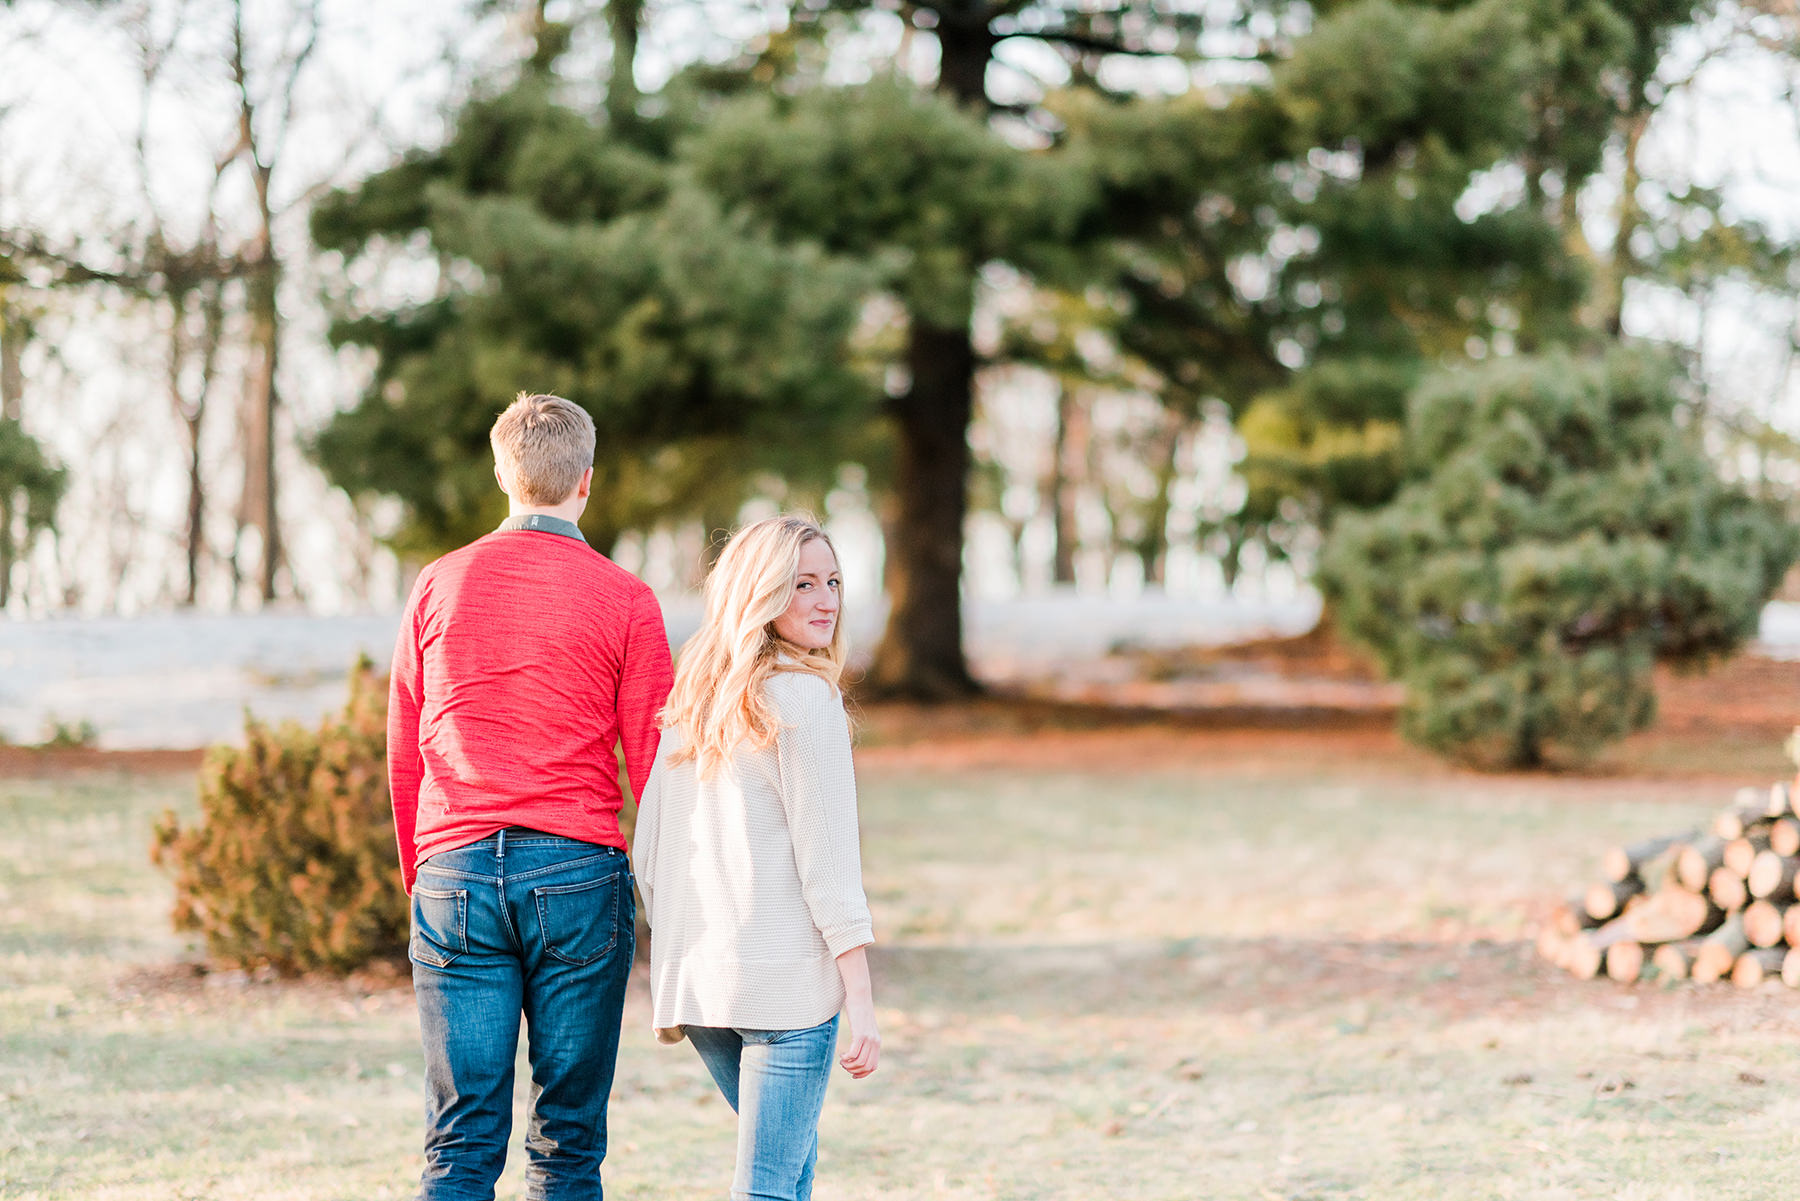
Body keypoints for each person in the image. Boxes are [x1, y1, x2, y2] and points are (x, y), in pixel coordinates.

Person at [386, 392, 673, 1201]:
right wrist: (667, 892)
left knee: (460, 1142)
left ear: (501, 472)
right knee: (568, 1144)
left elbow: (406, 743)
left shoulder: (437, 585)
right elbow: (653, 762)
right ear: (587, 480)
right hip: (578, 873)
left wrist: (422, 871)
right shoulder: (625, 596)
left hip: (455, 873)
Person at [632, 514, 880, 1201]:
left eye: (832, 580)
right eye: (802, 583)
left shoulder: (697, 701)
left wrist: (680, 951)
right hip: (786, 986)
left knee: (791, 1163)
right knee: (769, 1184)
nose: (825, 599)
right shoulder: (806, 697)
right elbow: (829, 864)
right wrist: (860, 996)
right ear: (761, 593)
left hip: (703, 983)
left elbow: (650, 850)